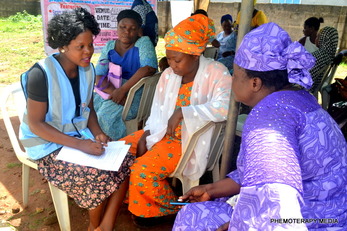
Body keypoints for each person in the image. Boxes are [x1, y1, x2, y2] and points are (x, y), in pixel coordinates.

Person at [173, 22, 347, 231]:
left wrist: (241, 224)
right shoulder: (302, 100)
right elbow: (258, 174)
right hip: (333, 214)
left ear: (255, 83)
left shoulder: (268, 117)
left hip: (305, 221)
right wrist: (211, 189)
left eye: (235, 76)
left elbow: (276, 199)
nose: (232, 81)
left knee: (192, 217)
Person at [19, 8, 135, 231]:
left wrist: (98, 132)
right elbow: (36, 124)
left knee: (125, 162)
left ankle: (106, 225)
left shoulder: (88, 70)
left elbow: (88, 108)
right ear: (62, 45)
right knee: (95, 176)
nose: (88, 52)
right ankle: (93, 226)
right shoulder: (40, 74)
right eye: (80, 47)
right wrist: (81, 144)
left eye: (90, 44)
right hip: (45, 145)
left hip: (76, 137)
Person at [119, 14, 232, 227]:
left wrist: (185, 111)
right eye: (169, 58)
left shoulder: (217, 72)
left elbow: (225, 107)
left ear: (196, 55)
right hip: (163, 132)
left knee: (141, 169)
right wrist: (147, 133)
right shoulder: (169, 75)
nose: (171, 65)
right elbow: (157, 110)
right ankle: (136, 200)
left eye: (177, 60)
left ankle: (172, 207)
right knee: (120, 151)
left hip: (189, 142)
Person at [93, 9, 157, 141]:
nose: (127, 32)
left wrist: (123, 90)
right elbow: (98, 75)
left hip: (136, 93)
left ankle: (114, 149)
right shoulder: (109, 46)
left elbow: (148, 69)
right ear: (117, 27)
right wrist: (115, 93)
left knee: (105, 116)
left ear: (139, 30)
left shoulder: (143, 42)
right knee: (88, 109)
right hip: (112, 91)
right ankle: (90, 146)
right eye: (123, 27)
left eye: (132, 28)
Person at [309, 26, 338, 94]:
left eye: (318, 37)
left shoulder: (318, 56)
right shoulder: (329, 56)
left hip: (301, 89)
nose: (316, 39)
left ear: (324, 39)